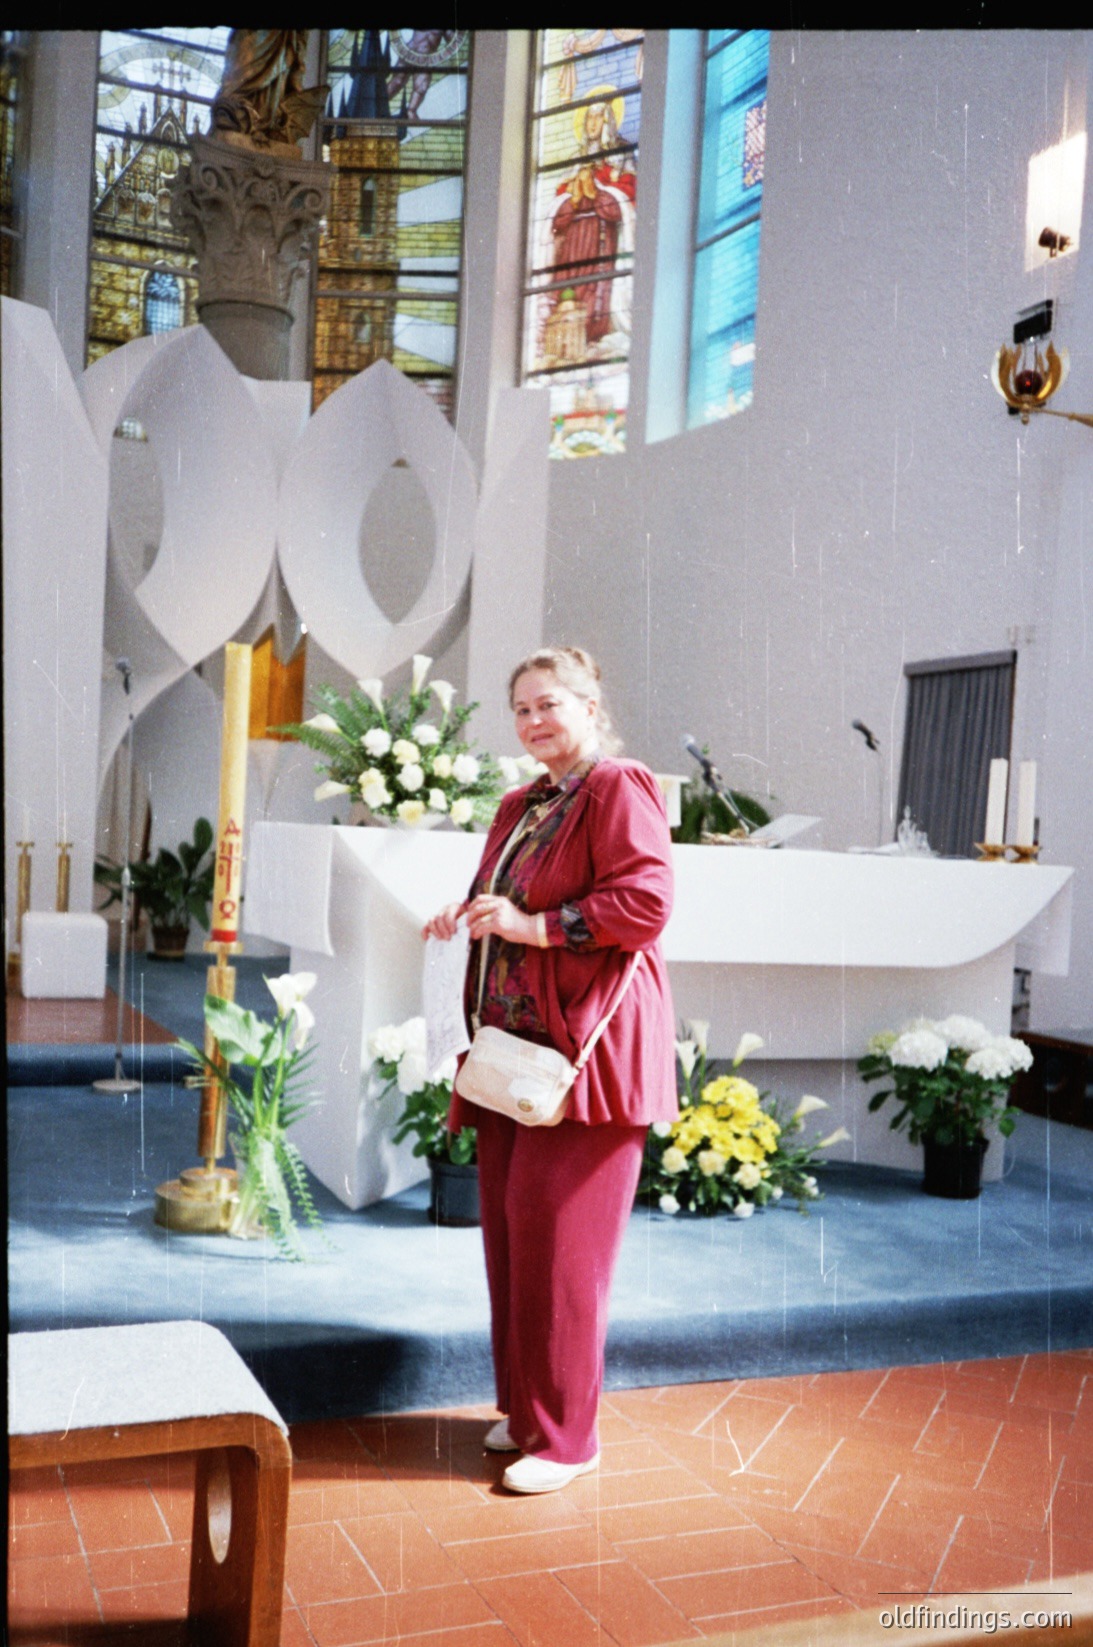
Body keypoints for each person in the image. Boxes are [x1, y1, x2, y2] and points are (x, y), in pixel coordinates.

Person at [422, 646, 677, 1494]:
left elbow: (644, 903)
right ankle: (530, 1413)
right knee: (513, 1232)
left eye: (549, 703)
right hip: (515, 1053)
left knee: (564, 1247)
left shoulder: (617, 785)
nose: (534, 721)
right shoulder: (521, 801)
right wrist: (461, 915)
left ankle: (570, 1439)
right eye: (521, 708)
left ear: (591, 703)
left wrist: (533, 929)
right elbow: (503, 897)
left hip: (588, 1057)